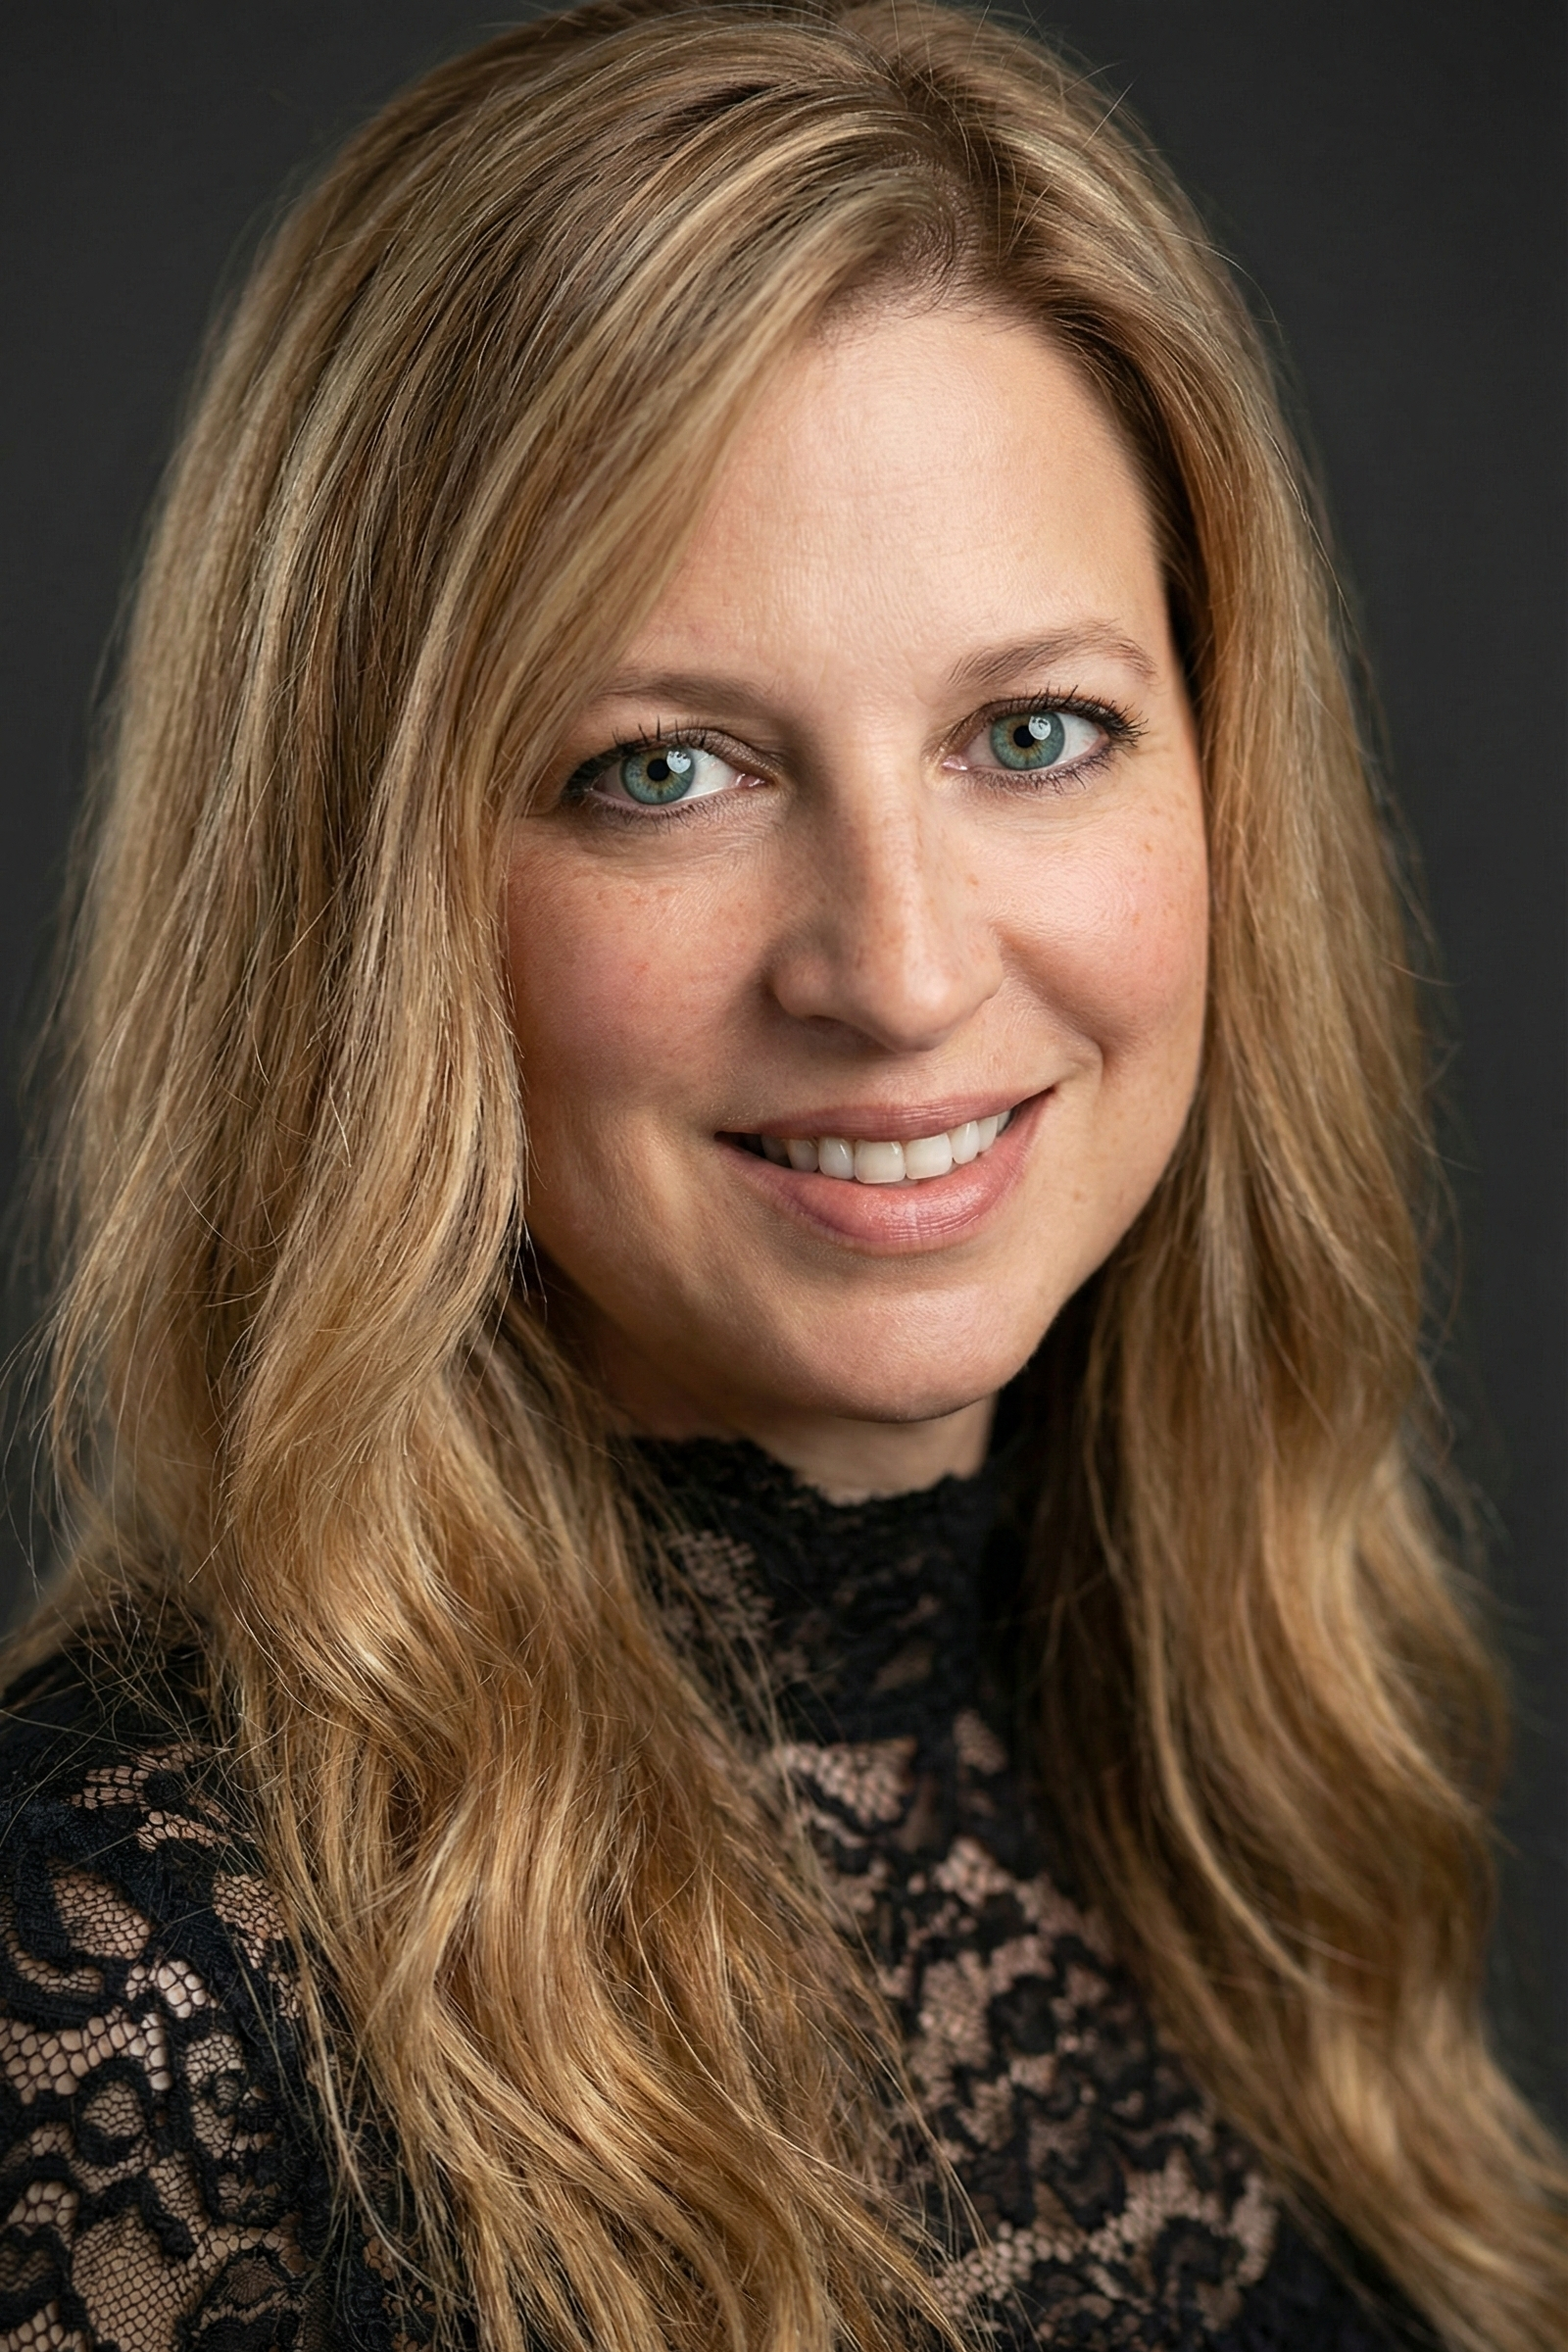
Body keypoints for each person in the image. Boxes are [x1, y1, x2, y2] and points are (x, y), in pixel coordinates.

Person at [0, 1, 1560, 2346]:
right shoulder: (137, 1985)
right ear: (366, 901)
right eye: (665, 771)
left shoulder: (1219, 1776)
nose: (902, 972)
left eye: (1032, 734)